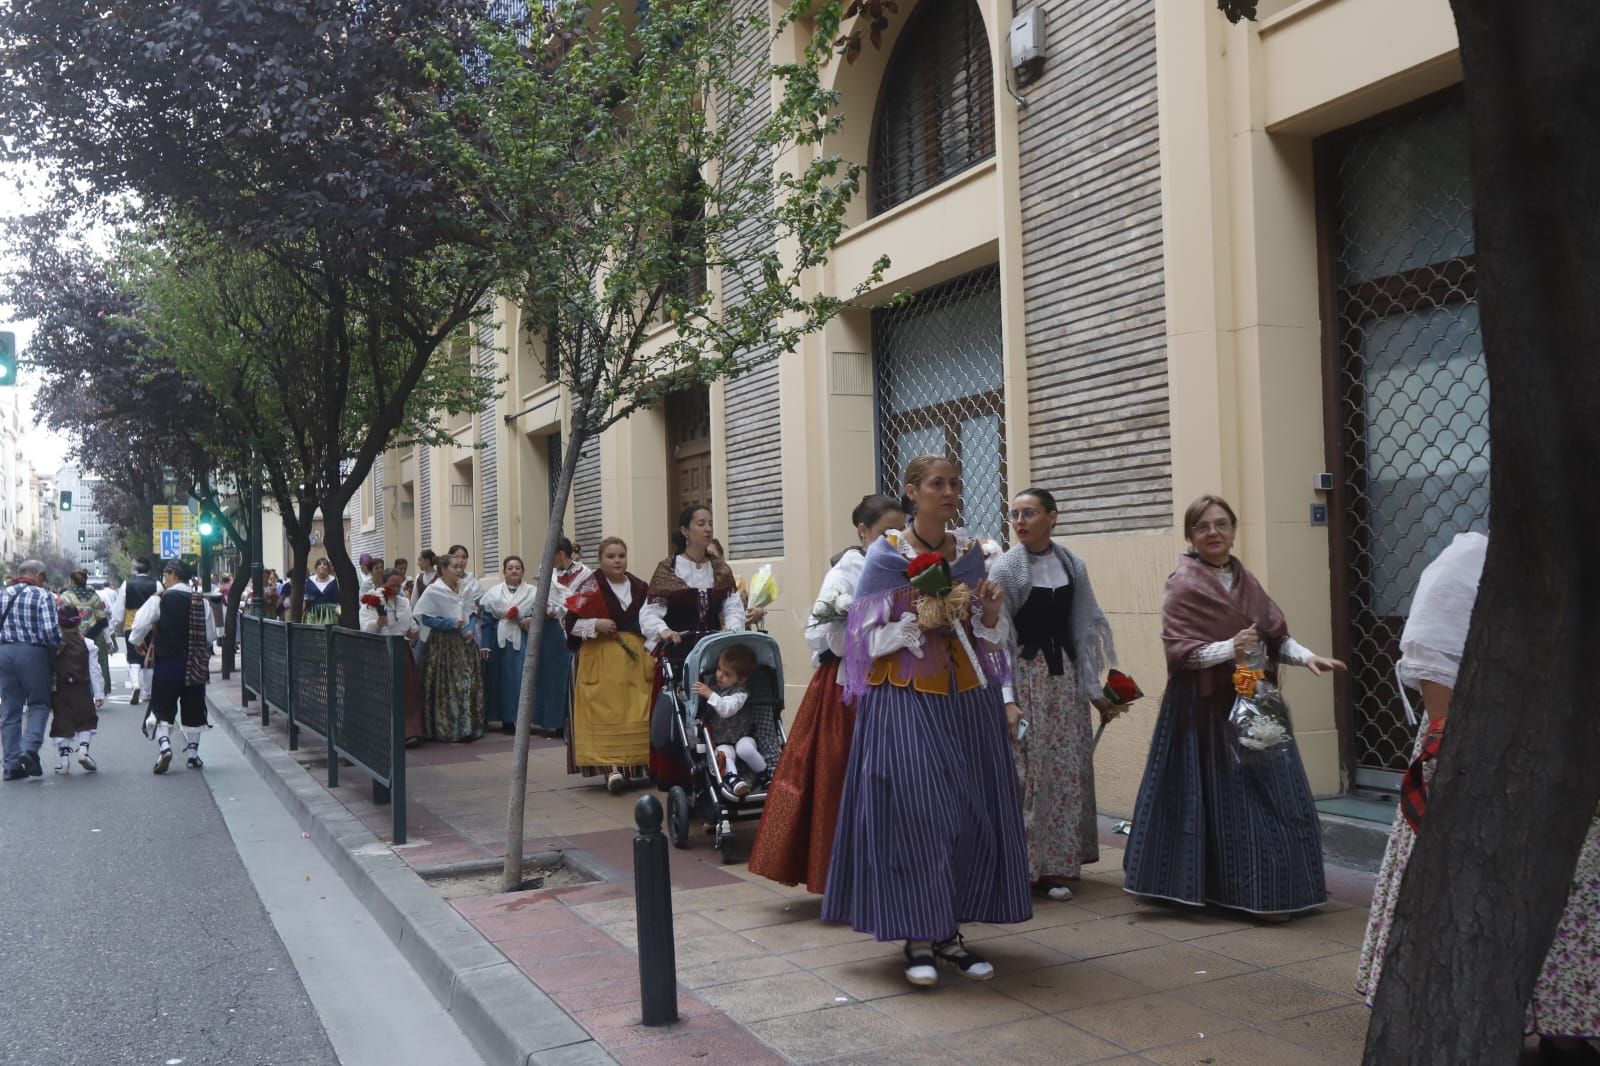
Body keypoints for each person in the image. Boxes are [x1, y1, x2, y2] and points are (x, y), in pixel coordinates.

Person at [1354, 533, 1597, 1062]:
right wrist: (1452, 755)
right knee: (1478, 886)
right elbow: (1432, 652)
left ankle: (1569, 1023)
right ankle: (1471, 1011)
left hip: (1573, 751)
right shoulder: (1471, 558)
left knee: (1578, 886)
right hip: (1486, 748)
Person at [822, 455, 1030, 987]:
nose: (949, 491)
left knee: (965, 812)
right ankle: (917, 936)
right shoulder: (885, 557)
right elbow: (859, 641)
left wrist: (985, 612)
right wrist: (916, 620)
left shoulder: (972, 555)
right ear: (912, 492)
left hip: (968, 700)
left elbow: (990, 640)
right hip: (905, 697)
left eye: (955, 483)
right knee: (920, 813)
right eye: (937, 484)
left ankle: (949, 934)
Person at [1122, 495, 1345, 918]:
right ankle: (1214, 889)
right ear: (1190, 535)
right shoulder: (1182, 583)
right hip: (1202, 711)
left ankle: (1281, 887)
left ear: (1234, 529)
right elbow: (1181, 652)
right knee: (1211, 799)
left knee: (1274, 792)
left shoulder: (1246, 579)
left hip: (1252, 700)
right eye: (1203, 526)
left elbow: (1275, 635)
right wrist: (1230, 647)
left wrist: (1308, 657)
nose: (1214, 533)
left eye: (1222, 524)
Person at [748, 493, 903, 892]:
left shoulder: (905, 565)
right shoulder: (845, 573)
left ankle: (889, 867)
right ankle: (843, 872)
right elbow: (819, 633)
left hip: (898, 683)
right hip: (846, 691)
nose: (895, 538)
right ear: (863, 532)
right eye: (886, 532)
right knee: (836, 776)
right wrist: (862, 632)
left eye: (900, 530)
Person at [990, 489, 1118, 902]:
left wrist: (1096, 692)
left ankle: (1057, 867)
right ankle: (1022, 866)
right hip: (1026, 680)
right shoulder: (1006, 568)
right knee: (1027, 773)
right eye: (1015, 514)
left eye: (1029, 513)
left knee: (1065, 770)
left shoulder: (1072, 565)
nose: (1020, 521)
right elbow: (997, 639)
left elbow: (1082, 630)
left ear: (1052, 517)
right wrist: (1007, 698)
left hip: (1064, 685)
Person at [643, 505, 746, 785]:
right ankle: (684, 776)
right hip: (681, 651)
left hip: (714, 651)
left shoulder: (720, 568)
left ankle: (722, 768)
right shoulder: (668, 569)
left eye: (710, 523)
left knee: (716, 708)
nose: (708, 528)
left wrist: (733, 627)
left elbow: (734, 607)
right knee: (684, 711)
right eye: (701, 523)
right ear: (685, 531)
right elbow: (650, 613)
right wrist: (664, 631)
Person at [564, 537, 653, 794]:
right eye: (611, 556)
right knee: (604, 712)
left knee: (636, 711)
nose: (617, 561)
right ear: (601, 560)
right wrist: (596, 625)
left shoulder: (639, 587)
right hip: (600, 659)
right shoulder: (588, 587)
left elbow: (650, 620)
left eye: (621, 556)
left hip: (634, 661)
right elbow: (569, 625)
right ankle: (610, 769)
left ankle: (638, 766)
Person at [130, 561, 219, 774]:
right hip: (194, 664)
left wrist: (137, 641)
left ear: (173, 575)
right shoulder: (201, 602)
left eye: (166, 574)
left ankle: (164, 747)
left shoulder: (161, 599)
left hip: (167, 661)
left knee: (162, 707)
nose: (164, 578)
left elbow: (139, 625)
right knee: (194, 709)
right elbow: (211, 635)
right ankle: (193, 756)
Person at [0, 561, 64, 781]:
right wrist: (59, 646)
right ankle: (29, 749)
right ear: (38, 575)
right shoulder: (42, 596)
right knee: (39, 703)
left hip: (4, 653)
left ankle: (10, 765)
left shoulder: (3, 594)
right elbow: (50, 631)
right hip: (33, 653)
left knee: (10, 708)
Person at [414, 552, 485, 742]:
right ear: (443, 569)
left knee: (468, 682)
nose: (459, 570)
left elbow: (470, 611)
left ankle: (468, 726)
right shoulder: (434, 590)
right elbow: (425, 617)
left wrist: (469, 627)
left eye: (461, 567)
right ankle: (450, 727)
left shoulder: (465, 587)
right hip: (443, 644)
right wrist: (448, 623)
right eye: (455, 567)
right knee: (448, 686)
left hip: (465, 643)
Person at [528, 538, 589, 739]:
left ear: (560, 554)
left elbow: (583, 603)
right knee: (551, 677)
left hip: (572, 629)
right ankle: (553, 721)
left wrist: (558, 609)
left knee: (572, 676)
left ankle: (572, 721)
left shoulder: (585, 575)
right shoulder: (547, 572)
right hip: (551, 632)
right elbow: (540, 597)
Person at [360, 568, 425, 745]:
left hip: (402, 649)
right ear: (383, 584)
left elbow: (411, 624)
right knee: (383, 691)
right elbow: (366, 627)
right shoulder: (372, 600)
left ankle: (409, 732)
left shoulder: (403, 602)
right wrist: (378, 622)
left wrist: (413, 632)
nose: (396, 589)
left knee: (407, 692)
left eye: (399, 585)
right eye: (392, 585)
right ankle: (384, 730)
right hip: (380, 650)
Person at [694, 643, 766, 798]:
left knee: (744, 749)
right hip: (722, 741)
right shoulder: (712, 684)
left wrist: (710, 695)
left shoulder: (741, 693)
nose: (719, 675)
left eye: (727, 674)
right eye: (719, 669)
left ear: (740, 679)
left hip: (743, 736)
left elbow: (726, 709)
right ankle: (733, 780)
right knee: (724, 755)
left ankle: (764, 774)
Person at [478, 556, 540, 735]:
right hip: (500, 643)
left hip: (523, 640)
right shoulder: (493, 593)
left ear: (523, 571)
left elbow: (538, 615)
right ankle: (505, 719)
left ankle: (523, 719)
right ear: (504, 571)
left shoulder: (533, 592)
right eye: (510, 568)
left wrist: (529, 621)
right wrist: (485, 645)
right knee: (502, 680)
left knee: (522, 679)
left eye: (517, 568)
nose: (514, 571)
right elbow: (487, 621)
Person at [49, 604, 104, 774]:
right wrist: (99, 693)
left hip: (59, 690)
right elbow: (95, 670)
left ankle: (64, 762)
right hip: (81, 688)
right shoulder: (88, 643)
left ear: (59, 623)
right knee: (86, 720)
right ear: (79, 622)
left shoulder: (54, 643)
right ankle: (83, 751)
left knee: (61, 724)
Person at [111, 557, 159, 703]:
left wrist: (114, 623)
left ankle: (135, 684)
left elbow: (119, 608)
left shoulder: (127, 584)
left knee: (133, 656)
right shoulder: (156, 584)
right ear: (149, 569)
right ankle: (147, 692)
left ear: (135, 570)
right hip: (151, 624)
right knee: (149, 657)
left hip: (131, 624)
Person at [61, 569, 112, 695]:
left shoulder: (66, 596)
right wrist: (108, 639)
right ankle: (99, 692)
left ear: (72, 581)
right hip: (94, 634)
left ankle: (75, 691)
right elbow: (102, 618)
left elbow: (61, 616)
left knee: (72, 664)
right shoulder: (94, 596)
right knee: (97, 665)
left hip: (72, 634)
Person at [303, 557, 340, 624]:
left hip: (330, 615)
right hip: (312, 615)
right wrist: (302, 615)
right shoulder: (310, 581)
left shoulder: (334, 581)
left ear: (328, 568)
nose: (322, 566)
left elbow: (337, 601)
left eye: (325, 564)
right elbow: (306, 599)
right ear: (316, 567)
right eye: (319, 564)